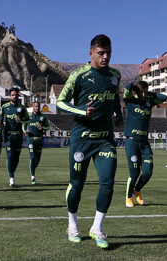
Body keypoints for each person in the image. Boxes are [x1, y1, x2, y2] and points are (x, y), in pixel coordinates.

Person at [56, 34, 123, 249]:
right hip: (82, 138)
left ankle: (97, 227)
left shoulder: (115, 76)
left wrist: (119, 115)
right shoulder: (78, 75)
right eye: (101, 53)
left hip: (105, 139)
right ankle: (72, 225)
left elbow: (113, 99)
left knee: (108, 183)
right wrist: (81, 110)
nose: (105, 57)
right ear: (91, 53)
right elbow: (61, 102)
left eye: (108, 53)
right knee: (77, 184)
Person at [123, 80, 167, 207]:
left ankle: (136, 190)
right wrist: (135, 88)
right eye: (141, 92)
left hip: (144, 142)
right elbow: (126, 88)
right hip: (131, 141)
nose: (143, 95)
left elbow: (164, 97)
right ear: (136, 92)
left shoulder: (149, 102)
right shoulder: (130, 100)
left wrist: (149, 93)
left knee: (148, 172)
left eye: (145, 92)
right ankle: (128, 197)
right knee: (135, 173)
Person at [0, 87, 30, 187]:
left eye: (16, 95)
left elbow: (28, 120)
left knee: (16, 158)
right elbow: (0, 120)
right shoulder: (4, 107)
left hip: (18, 136)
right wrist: (1, 125)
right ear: (9, 96)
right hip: (8, 135)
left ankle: (12, 173)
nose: (14, 96)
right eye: (13, 95)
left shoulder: (22, 108)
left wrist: (21, 121)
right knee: (10, 156)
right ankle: (11, 178)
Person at [24, 101, 50, 184]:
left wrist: (42, 127)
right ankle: (33, 177)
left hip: (39, 139)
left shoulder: (43, 117)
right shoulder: (28, 115)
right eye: (36, 106)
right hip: (31, 139)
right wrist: (25, 130)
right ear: (33, 107)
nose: (37, 107)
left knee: (37, 159)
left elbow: (48, 127)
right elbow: (23, 124)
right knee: (32, 157)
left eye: (38, 106)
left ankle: (32, 170)